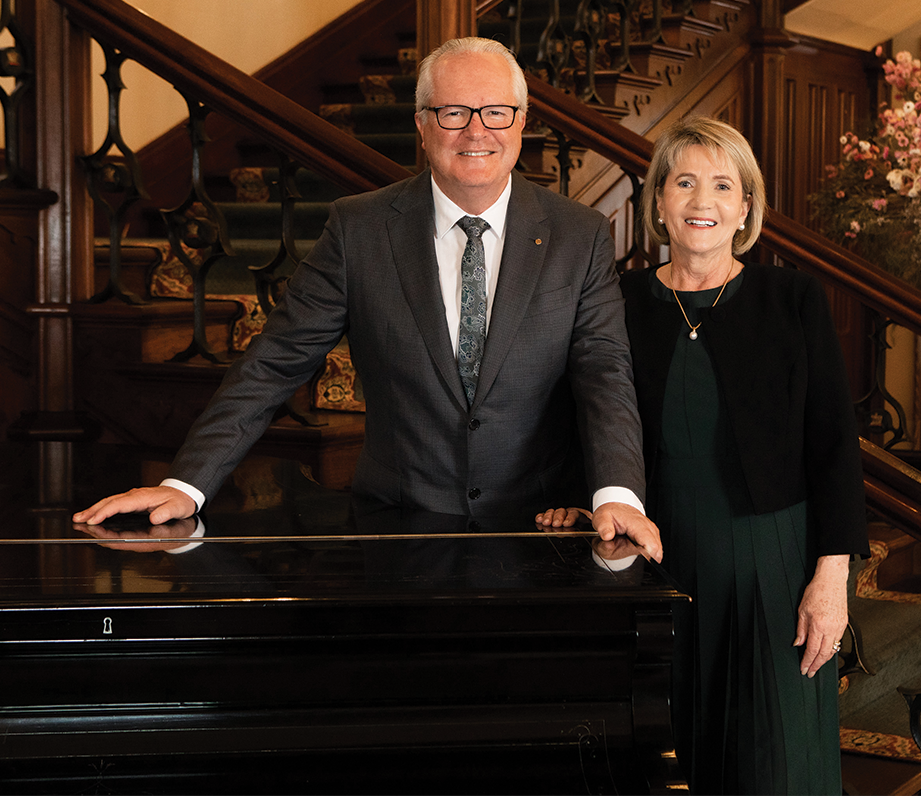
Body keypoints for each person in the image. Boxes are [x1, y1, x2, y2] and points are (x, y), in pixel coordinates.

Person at [74, 37, 662, 562]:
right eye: (454, 112)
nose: (477, 131)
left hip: (541, 529)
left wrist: (616, 494)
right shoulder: (359, 229)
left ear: (523, 120)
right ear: (423, 124)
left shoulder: (578, 232)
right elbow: (276, 362)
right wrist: (186, 485)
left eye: (496, 112)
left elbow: (603, 372)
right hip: (398, 529)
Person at [538, 117, 868, 794]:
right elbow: (586, 412)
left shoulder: (792, 298)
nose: (702, 201)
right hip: (654, 563)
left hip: (769, 567)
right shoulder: (619, 301)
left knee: (774, 764)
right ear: (658, 199)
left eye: (723, 185)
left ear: (746, 206)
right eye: (684, 182)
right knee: (664, 757)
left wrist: (831, 581)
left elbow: (834, 446)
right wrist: (578, 493)